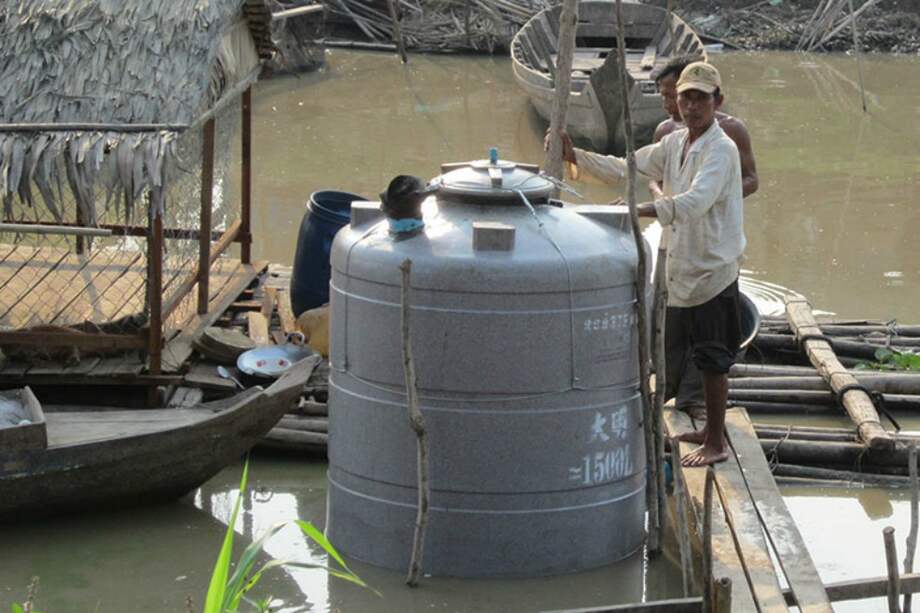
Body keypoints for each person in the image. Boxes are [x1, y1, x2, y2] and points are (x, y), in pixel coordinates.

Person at [554, 61, 745, 467]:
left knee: (713, 359)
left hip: (713, 267)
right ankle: (708, 429)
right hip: (683, 264)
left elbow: (694, 202)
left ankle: (716, 443)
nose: (691, 106)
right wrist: (579, 157)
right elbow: (628, 167)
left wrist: (635, 210)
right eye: (685, 98)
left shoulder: (722, 149)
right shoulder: (676, 143)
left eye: (700, 98)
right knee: (686, 348)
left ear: (717, 102)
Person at [651, 55, 758, 419]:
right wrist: (659, 197)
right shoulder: (668, 135)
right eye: (672, 98)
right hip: (673, 235)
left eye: (698, 98)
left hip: (708, 242)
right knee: (671, 322)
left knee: (709, 337)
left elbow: (748, 179)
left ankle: (695, 402)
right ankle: (668, 390)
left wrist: (715, 197)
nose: (677, 106)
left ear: (716, 100)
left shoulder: (730, 135)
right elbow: (652, 174)